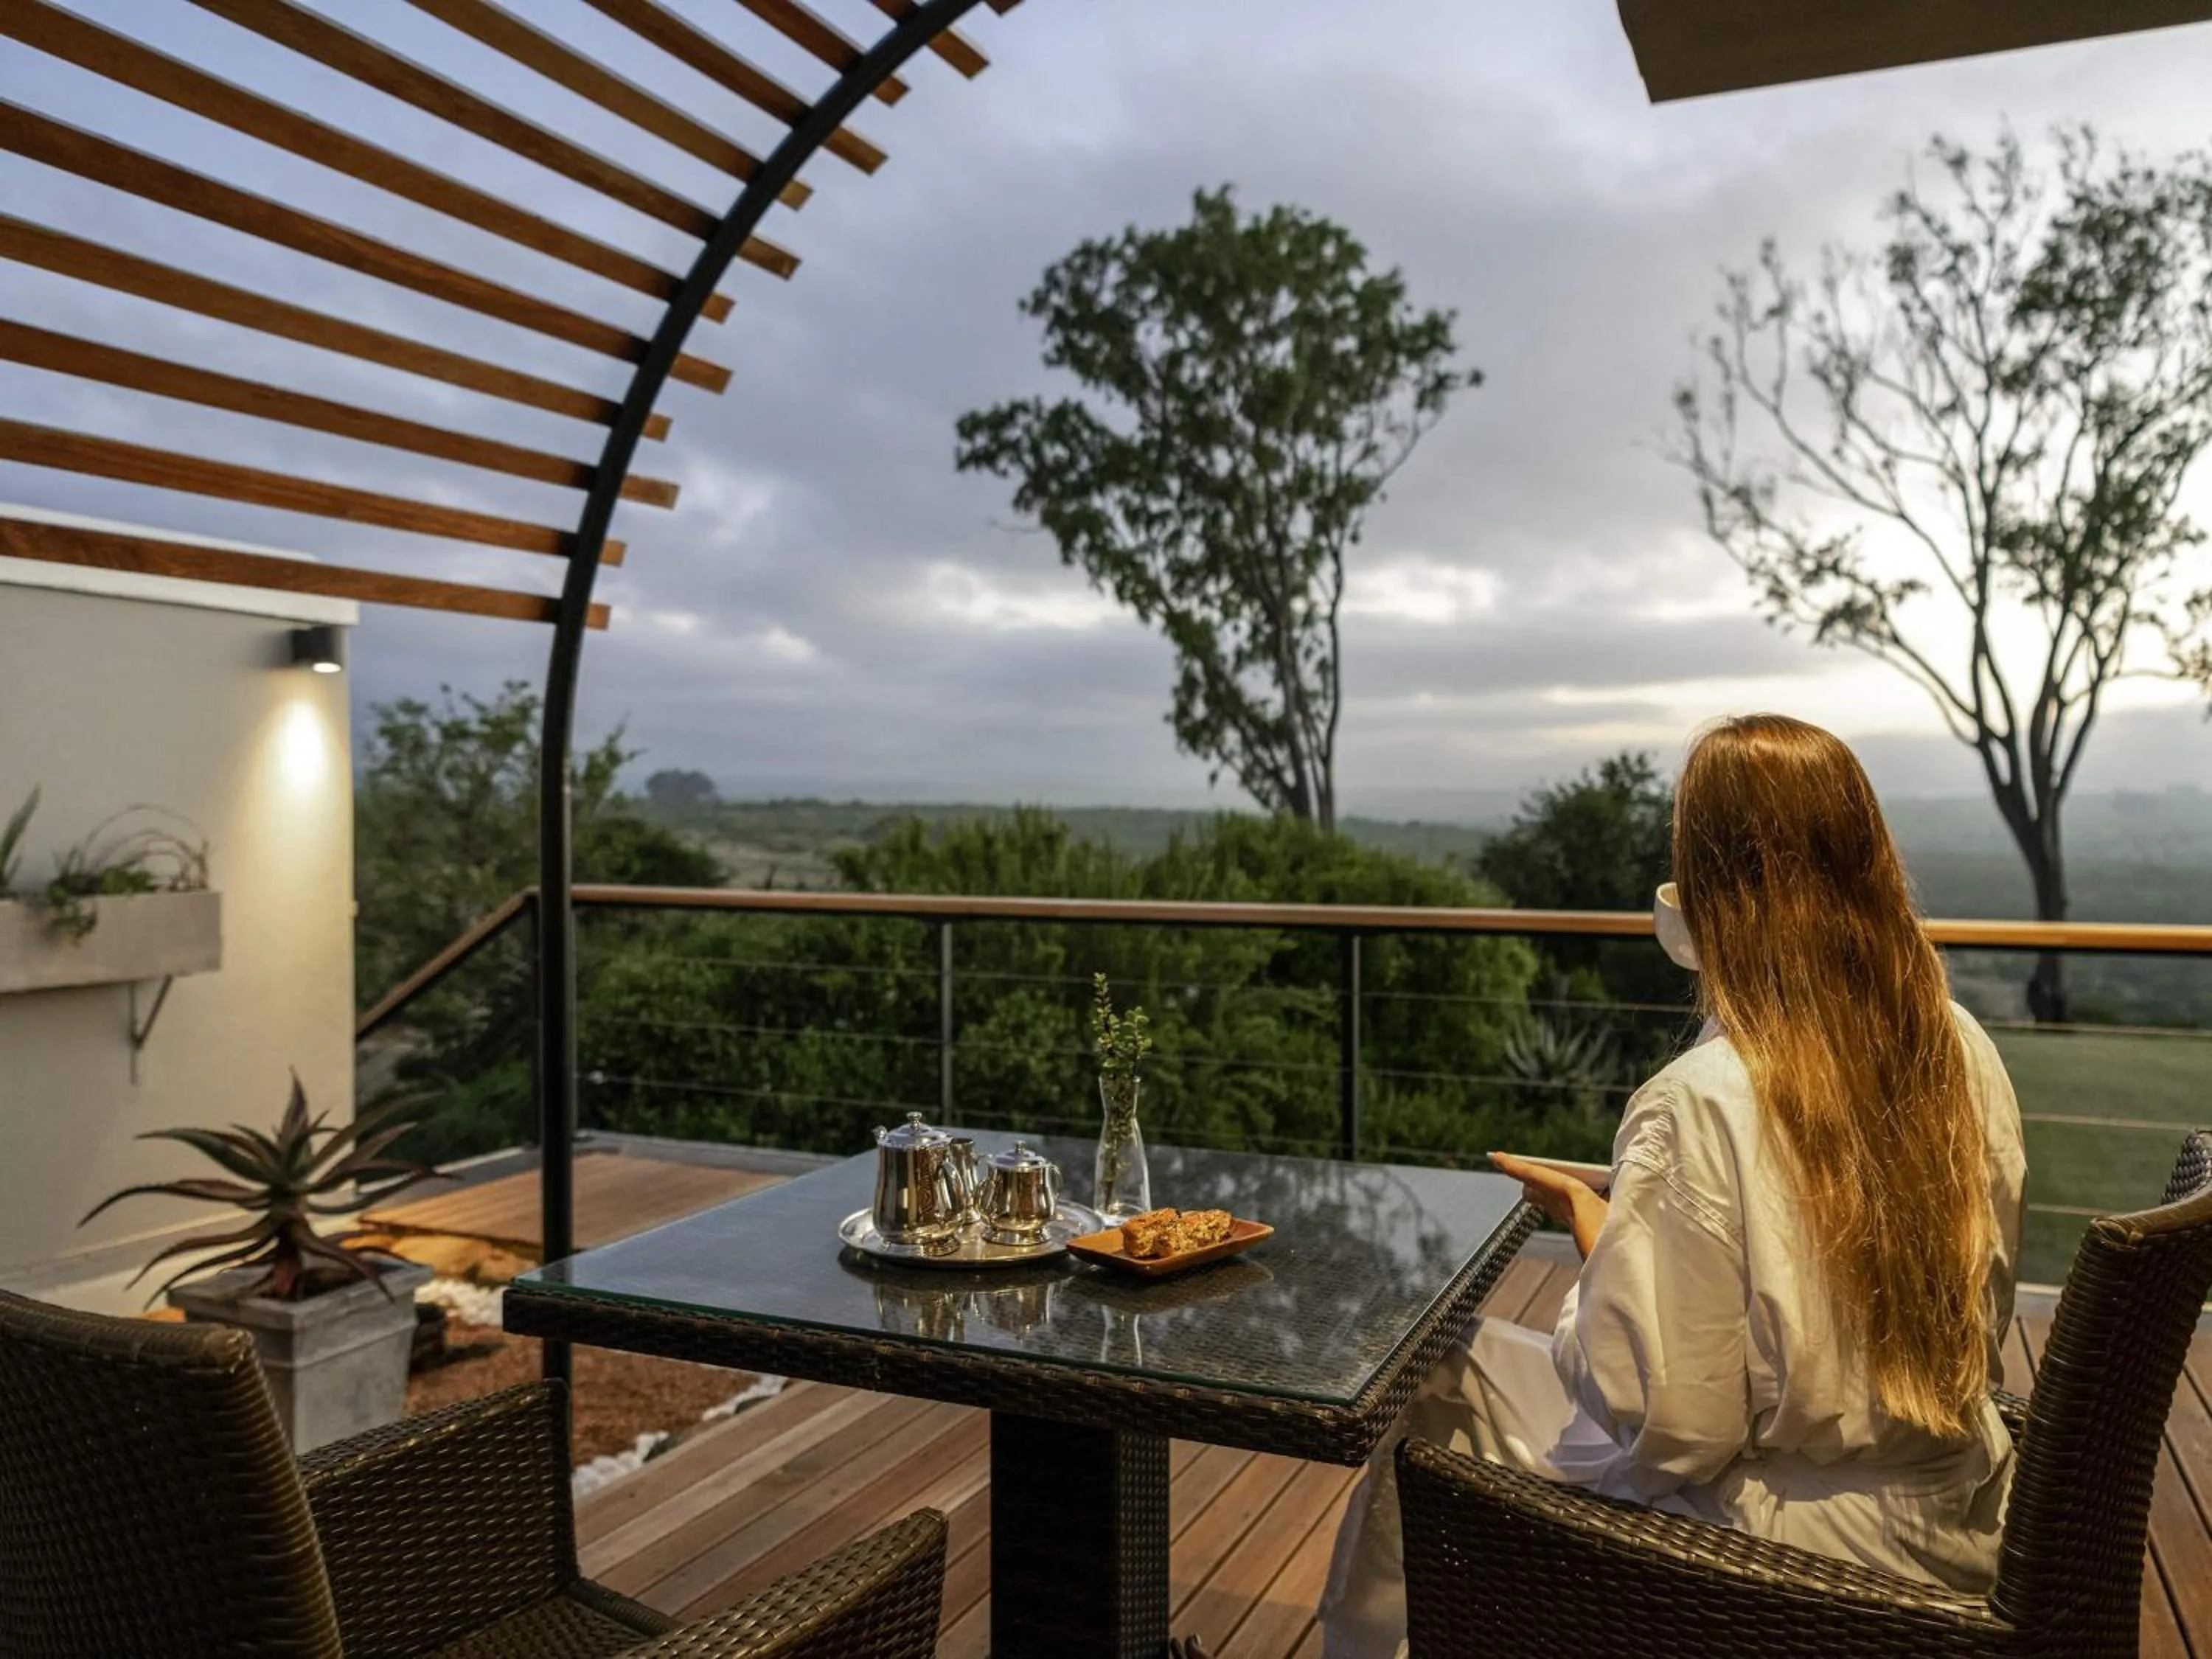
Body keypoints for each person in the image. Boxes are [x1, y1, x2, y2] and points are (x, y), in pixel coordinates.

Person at [1319, 714, 2027, 1659]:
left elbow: (1672, 1426)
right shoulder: (1957, 1043)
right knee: (1459, 1364)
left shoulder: (1700, 1099)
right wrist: (1646, 1215)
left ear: (1713, 892)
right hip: (1962, 1506)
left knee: (1439, 1381)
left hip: (1780, 1568)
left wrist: (1605, 1237)